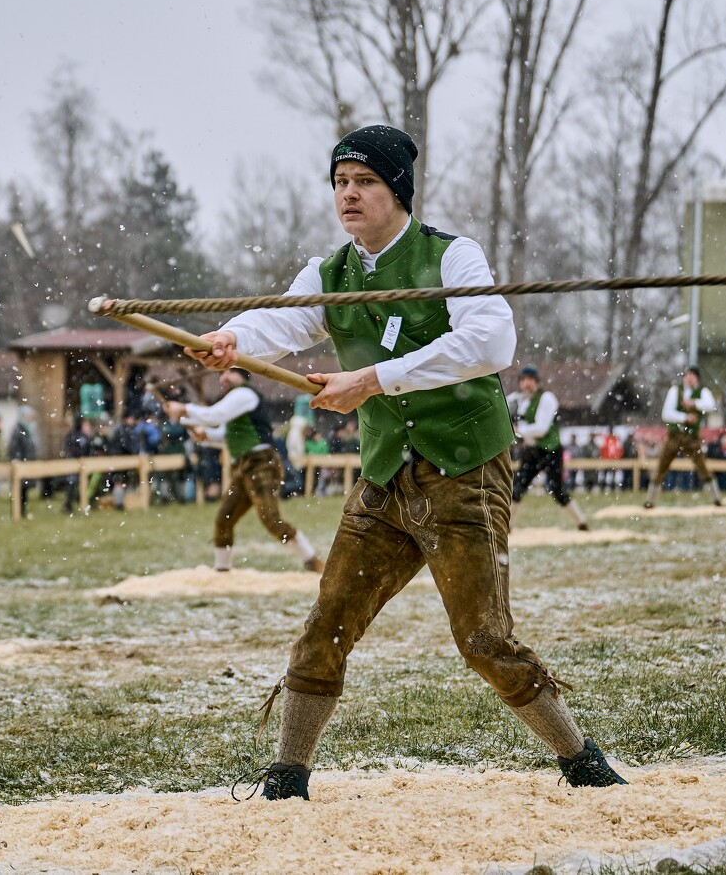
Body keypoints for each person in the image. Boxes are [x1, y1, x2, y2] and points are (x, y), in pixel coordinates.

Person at [186, 124, 627, 801]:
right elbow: (281, 322)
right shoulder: (331, 274)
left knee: (483, 641)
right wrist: (232, 337)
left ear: (397, 190)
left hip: (464, 472)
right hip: (386, 477)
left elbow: (490, 339)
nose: (348, 195)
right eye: (339, 182)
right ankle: (287, 774)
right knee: (324, 627)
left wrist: (373, 379)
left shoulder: (450, 257)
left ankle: (580, 759)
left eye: (364, 181)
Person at [164, 367, 323, 573]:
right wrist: (205, 434)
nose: (223, 378)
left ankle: (312, 561)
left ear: (242, 375)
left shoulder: (244, 394)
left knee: (271, 520)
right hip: (243, 466)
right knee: (224, 519)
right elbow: (224, 434)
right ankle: (222, 570)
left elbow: (215, 415)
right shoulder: (235, 401)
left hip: (261, 464)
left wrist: (185, 409)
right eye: (221, 374)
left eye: (228, 373)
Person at [508, 366, 590, 530]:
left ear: (537, 382)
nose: (527, 384)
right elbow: (502, 403)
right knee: (516, 488)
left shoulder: (547, 398)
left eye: (530, 380)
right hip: (531, 451)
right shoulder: (517, 399)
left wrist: (518, 431)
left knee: (557, 491)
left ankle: (581, 522)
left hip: (550, 450)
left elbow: (541, 428)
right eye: (523, 380)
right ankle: (507, 527)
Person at [646, 367, 723, 508]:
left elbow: (711, 406)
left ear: (697, 378)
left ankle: (716, 498)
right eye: (688, 375)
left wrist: (694, 403)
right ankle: (650, 500)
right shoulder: (675, 391)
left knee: (702, 467)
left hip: (691, 437)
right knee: (661, 467)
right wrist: (685, 417)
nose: (690, 378)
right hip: (674, 435)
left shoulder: (703, 392)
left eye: (693, 375)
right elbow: (666, 414)